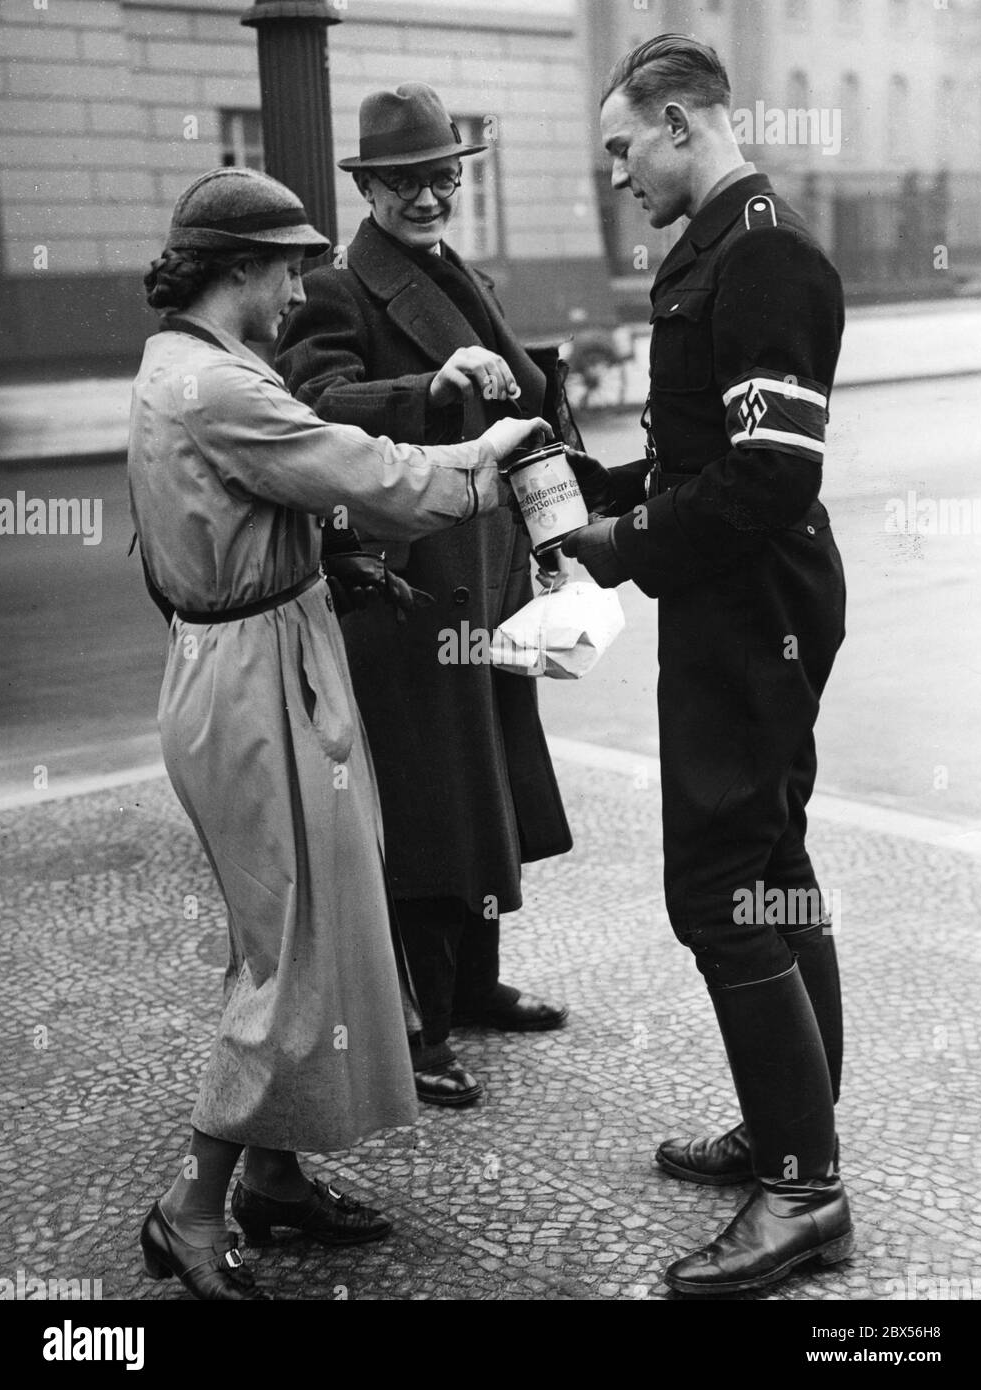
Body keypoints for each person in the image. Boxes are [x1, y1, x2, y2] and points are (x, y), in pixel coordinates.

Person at [129, 166, 550, 1299]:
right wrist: (486, 458)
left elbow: (270, 503)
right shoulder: (220, 384)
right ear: (238, 270)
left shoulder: (180, 365)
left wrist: (337, 564)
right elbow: (369, 474)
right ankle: (193, 1206)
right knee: (295, 952)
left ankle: (271, 1178)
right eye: (283, 266)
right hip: (256, 675)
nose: (295, 285)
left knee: (290, 932)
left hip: (259, 655)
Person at [562, 36, 852, 1295]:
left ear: (679, 122)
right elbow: (705, 453)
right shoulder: (726, 241)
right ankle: (795, 1132)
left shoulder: (762, 251)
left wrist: (622, 542)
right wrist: (596, 489)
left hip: (752, 604)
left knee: (720, 885)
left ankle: (801, 1192)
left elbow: (770, 474)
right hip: (744, 594)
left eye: (623, 145)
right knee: (772, 865)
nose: (616, 172)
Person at [277, 84, 576, 1108]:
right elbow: (314, 410)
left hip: (483, 567)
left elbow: (523, 404)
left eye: (441, 177)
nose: (428, 196)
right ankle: (423, 1026)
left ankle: (477, 985)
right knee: (433, 802)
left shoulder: (460, 272)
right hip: (408, 586)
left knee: (488, 780)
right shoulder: (336, 286)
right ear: (370, 188)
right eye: (405, 182)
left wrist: (550, 531)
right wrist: (431, 391)